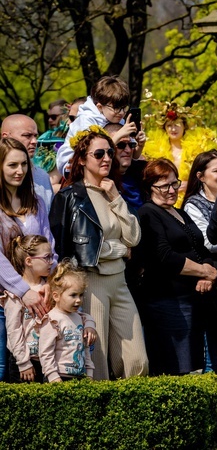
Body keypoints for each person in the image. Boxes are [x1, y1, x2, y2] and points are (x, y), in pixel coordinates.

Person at [49, 127, 148, 379]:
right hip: (90, 282)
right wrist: (119, 249)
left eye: (110, 152)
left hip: (120, 281)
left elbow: (134, 237)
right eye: (99, 153)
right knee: (97, 364)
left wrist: (115, 197)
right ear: (82, 159)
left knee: (137, 360)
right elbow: (75, 248)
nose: (107, 158)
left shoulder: (114, 191)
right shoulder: (70, 196)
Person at [136, 159, 217, 375]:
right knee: (177, 367)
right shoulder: (147, 213)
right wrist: (203, 271)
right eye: (164, 186)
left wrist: (206, 275)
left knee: (196, 364)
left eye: (174, 184)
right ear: (150, 187)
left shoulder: (180, 213)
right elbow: (164, 256)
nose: (171, 190)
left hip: (193, 297)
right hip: (167, 300)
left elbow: (201, 249)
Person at [0, 137, 56, 381]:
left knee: (41, 367)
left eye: (24, 164)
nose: (20, 170)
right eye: (12, 165)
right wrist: (23, 290)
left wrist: (48, 281)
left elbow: (49, 245)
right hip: (5, 300)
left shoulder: (37, 202)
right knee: (4, 367)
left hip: (39, 297)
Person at [182, 149, 217, 373]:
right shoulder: (194, 205)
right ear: (201, 176)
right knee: (216, 341)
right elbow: (208, 243)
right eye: (216, 170)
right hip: (214, 277)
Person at [1, 236, 60, 382]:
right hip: (26, 364)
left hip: (51, 361)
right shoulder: (14, 295)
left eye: (52, 256)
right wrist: (23, 362)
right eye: (47, 257)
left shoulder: (52, 289)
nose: (52, 262)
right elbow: (14, 331)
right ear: (29, 261)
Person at [141, 99, 217, 206]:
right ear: (164, 128)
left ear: (184, 126)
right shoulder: (154, 151)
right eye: (169, 125)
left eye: (177, 124)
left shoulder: (199, 148)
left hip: (193, 199)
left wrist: (190, 185)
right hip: (164, 201)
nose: (173, 129)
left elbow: (208, 175)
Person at [56, 76, 136, 175]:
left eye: (124, 108)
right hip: (72, 166)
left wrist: (138, 144)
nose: (121, 112)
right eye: (116, 108)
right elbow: (92, 150)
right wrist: (118, 135)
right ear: (99, 107)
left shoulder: (116, 117)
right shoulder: (86, 119)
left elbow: (133, 155)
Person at [38, 260, 96, 382]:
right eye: (73, 295)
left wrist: (89, 373)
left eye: (81, 295)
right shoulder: (51, 320)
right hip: (59, 377)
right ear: (56, 296)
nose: (79, 300)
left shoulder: (80, 318)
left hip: (80, 376)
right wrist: (53, 377)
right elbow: (45, 353)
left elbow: (85, 348)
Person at [1, 114, 54, 215]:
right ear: (6, 137)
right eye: (27, 135)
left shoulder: (42, 177)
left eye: (35, 136)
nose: (34, 141)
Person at [104, 122, 147, 211]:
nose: (128, 150)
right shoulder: (100, 179)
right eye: (120, 145)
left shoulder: (142, 173)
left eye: (131, 145)